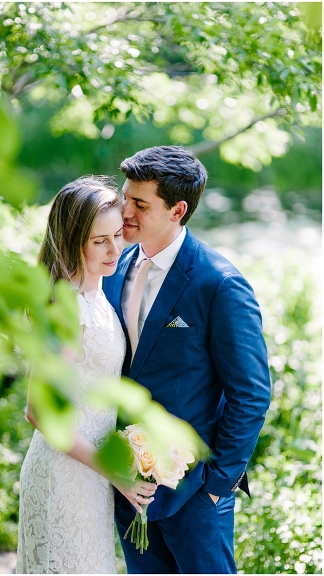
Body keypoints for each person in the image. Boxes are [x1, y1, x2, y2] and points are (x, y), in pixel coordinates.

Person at [102, 145, 271, 573]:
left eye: (140, 204)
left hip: (196, 492)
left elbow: (251, 394)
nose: (125, 211)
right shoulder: (116, 264)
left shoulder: (220, 284)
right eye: (126, 197)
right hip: (129, 488)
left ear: (177, 210)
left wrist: (216, 486)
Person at [16, 177, 157, 574]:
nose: (115, 250)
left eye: (117, 235)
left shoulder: (96, 295)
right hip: (64, 478)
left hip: (90, 476)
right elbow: (39, 412)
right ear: (71, 240)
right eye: (100, 241)